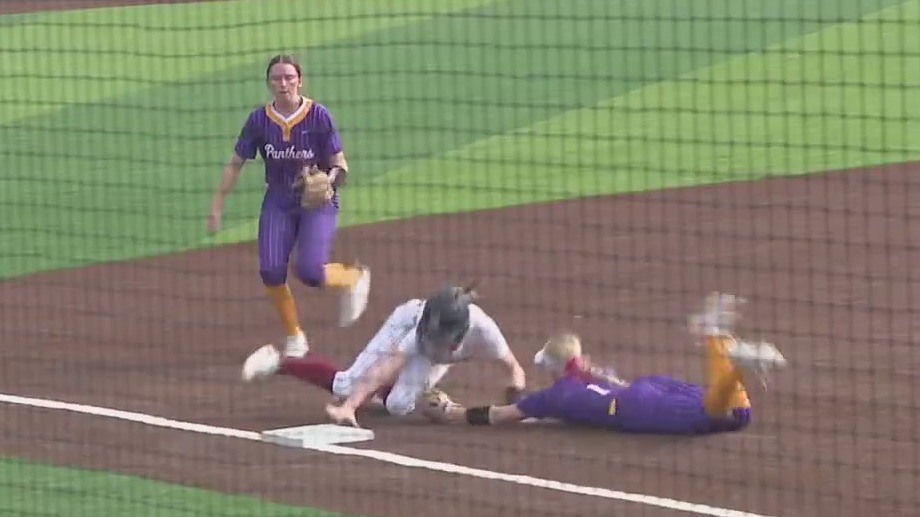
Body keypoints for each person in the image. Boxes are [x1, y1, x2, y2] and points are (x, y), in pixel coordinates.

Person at [425, 293, 788, 434]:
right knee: (729, 411)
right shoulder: (586, 373)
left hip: (640, 407)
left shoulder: (553, 396)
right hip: (648, 387)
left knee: (726, 413)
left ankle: (733, 359)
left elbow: (500, 416)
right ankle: (718, 342)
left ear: (553, 366)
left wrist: (452, 412)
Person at [208, 54, 371, 359]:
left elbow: (340, 164)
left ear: (299, 80)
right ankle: (295, 335)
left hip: (318, 203)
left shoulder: (319, 116)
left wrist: (329, 182)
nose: (283, 84)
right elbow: (235, 164)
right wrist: (217, 206)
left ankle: (352, 278)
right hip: (279, 200)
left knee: (309, 271)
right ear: (269, 83)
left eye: (288, 77)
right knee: (270, 270)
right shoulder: (259, 120)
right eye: (276, 78)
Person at [240, 284, 529, 426]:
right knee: (345, 387)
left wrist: (516, 398)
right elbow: (391, 363)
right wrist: (349, 407)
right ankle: (282, 362)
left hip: (428, 359)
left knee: (399, 405)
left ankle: (383, 395)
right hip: (402, 324)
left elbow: (514, 368)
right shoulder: (418, 329)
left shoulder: (486, 333)